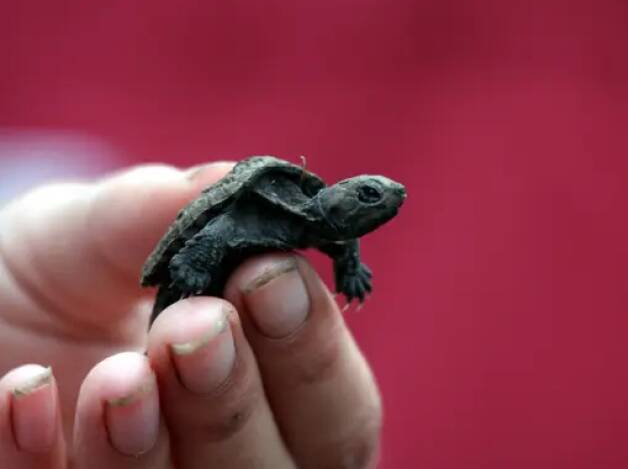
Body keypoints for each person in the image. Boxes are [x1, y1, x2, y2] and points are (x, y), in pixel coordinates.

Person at [0, 162, 381, 468]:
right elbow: (224, 225)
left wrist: (350, 269)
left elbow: (343, 236)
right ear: (333, 194)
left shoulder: (329, 228)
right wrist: (193, 265)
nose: (385, 202)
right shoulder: (267, 194)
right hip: (194, 267)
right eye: (369, 195)